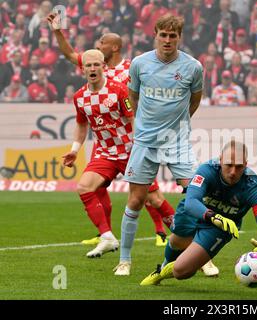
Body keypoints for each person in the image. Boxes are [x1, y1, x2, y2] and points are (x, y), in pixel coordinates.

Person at [47, 13, 175, 248]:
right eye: (89, 63)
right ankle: (105, 234)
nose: (97, 46)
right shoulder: (91, 67)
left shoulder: (130, 68)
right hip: (105, 142)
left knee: (147, 193)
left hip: (130, 136)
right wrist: (57, 31)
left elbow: (144, 97)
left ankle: (162, 230)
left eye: (102, 43)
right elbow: (68, 54)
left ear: (113, 48)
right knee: (93, 186)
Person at [113, 14, 219, 277]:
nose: (168, 40)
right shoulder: (140, 64)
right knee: (136, 200)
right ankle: (125, 260)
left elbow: (194, 101)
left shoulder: (193, 67)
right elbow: (133, 96)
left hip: (178, 141)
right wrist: (147, 126)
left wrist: (177, 124)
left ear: (179, 38)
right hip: (146, 142)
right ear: (155, 35)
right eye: (164, 35)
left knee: (195, 197)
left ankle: (201, 257)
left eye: (173, 36)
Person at [140, 140, 257, 286]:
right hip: (195, 212)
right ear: (220, 159)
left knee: (181, 271)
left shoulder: (253, 186)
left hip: (220, 227)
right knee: (175, 242)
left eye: (239, 167)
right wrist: (213, 216)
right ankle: (162, 267)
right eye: (229, 165)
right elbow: (191, 202)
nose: (233, 172)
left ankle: (164, 272)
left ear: (246, 164)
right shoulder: (207, 170)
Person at [62, 49, 132, 258]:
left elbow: (134, 119)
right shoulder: (80, 97)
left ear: (104, 67)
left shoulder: (119, 90)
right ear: (82, 69)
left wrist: (139, 146)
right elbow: (82, 126)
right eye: (88, 66)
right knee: (84, 187)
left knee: (153, 199)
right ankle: (107, 237)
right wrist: (75, 150)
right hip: (106, 153)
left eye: (96, 65)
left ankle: (192, 246)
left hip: (130, 150)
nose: (92, 69)